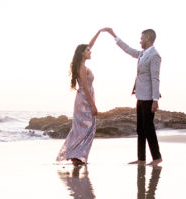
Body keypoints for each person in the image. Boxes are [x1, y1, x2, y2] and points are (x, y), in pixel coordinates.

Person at [103, 28, 163, 166]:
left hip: (148, 98)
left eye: (141, 38)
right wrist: (114, 35)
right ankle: (141, 158)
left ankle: (157, 157)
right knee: (140, 129)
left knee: (148, 128)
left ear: (148, 38)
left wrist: (155, 100)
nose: (140, 40)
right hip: (140, 96)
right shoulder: (143, 53)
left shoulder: (154, 56)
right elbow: (128, 50)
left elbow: (155, 78)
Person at [56, 29, 106, 166]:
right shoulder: (82, 67)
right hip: (85, 100)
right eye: (88, 51)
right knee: (86, 129)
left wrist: (99, 33)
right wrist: (93, 105)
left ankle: (76, 156)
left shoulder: (81, 64)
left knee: (82, 128)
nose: (90, 52)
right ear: (83, 53)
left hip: (83, 99)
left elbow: (88, 46)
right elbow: (84, 87)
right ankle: (75, 156)